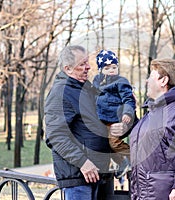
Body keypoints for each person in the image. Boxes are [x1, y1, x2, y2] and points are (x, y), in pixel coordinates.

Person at [44, 45, 125, 200]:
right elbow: (55, 136)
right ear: (68, 69)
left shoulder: (86, 89)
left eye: (87, 62)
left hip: (97, 174)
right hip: (79, 178)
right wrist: (83, 163)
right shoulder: (61, 92)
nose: (88, 67)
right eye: (81, 64)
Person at [120, 58, 175, 200]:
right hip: (145, 195)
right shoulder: (153, 112)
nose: (147, 81)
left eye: (150, 76)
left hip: (169, 195)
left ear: (163, 80)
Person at [93, 49, 136, 179]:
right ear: (100, 70)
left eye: (114, 67)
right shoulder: (97, 83)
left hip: (117, 119)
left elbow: (128, 99)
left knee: (114, 143)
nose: (111, 70)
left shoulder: (121, 82)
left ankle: (134, 157)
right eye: (107, 68)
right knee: (107, 145)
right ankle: (122, 163)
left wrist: (128, 113)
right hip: (103, 120)